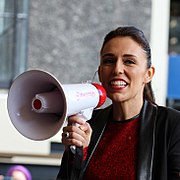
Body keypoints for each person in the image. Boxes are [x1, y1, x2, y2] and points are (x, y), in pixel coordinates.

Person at [56, 26, 180, 180]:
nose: (117, 69)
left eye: (129, 61)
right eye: (109, 61)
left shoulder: (172, 125)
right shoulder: (88, 124)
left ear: (148, 74)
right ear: (101, 72)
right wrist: (76, 154)